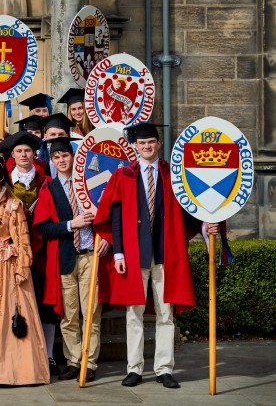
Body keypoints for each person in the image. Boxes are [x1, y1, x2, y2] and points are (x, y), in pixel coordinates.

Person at [93, 122, 220, 389]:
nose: (147, 147)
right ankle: (134, 368)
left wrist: (204, 225)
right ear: (135, 146)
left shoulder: (174, 176)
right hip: (133, 253)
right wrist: (118, 253)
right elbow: (115, 216)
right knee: (133, 313)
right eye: (142, 143)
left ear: (159, 144)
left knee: (165, 313)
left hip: (165, 254)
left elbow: (189, 211)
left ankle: (164, 368)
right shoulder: (123, 176)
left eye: (151, 142)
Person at [33, 137, 108, 383]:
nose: (62, 160)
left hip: (90, 255)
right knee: (69, 314)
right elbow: (43, 227)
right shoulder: (50, 188)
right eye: (56, 157)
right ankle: (74, 361)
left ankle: (90, 360)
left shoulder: (91, 185)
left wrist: (107, 237)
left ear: (74, 157)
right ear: (52, 161)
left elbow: (109, 213)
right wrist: (70, 224)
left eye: (65, 155)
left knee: (91, 312)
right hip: (65, 257)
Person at [0, 154, 49, 385]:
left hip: (9, 264)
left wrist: (21, 267)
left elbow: (22, 239)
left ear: (0, 177)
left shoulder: (13, 204)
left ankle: (22, 370)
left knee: (14, 311)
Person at [0, 131, 58, 375]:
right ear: (12, 154)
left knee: (45, 301)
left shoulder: (46, 182)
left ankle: (49, 354)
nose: (23, 155)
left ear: (34, 154)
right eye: (19, 151)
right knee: (15, 301)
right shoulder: (5, 184)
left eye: (28, 151)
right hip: (12, 251)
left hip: (42, 250)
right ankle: (17, 353)